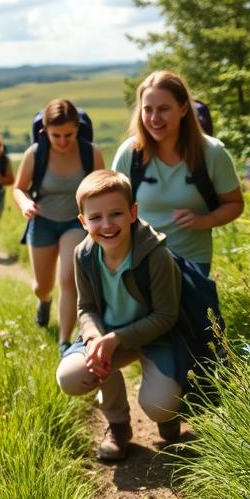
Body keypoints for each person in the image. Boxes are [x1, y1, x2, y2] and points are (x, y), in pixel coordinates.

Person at [56, 170, 183, 459]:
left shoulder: (156, 255)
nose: (107, 224)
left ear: (132, 213)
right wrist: (95, 339)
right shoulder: (83, 255)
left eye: (116, 213)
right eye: (96, 217)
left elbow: (166, 316)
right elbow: (85, 307)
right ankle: (118, 425)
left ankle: (168, 415)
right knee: (70, 376)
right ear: (82, 222)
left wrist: (116, 338)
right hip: (108, 336)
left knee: (159, 403)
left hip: (156, 336)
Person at [111, 71, 243, 275]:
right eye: (148, 110)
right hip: (139, 261)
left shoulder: (212, 153)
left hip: (191, 262)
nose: (154, 118)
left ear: (183, 109)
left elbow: (234, 204)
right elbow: (110, 206)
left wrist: (205, 221)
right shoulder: (130, 154)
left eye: (164, 109)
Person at [12, 99, 104, 355]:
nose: (63, 141)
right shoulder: (35, 153)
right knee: (43, 284)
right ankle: (44, 301)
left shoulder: (91, 153)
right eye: (56, 135)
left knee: (68, 280)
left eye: (69, 134)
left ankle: (65, 342)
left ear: (78, 128)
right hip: (41, 223)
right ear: (44, 130)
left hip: (76, 223)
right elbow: (18, 188)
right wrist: (25, 204)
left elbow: (103, 189)